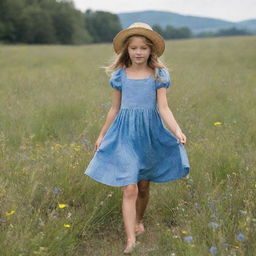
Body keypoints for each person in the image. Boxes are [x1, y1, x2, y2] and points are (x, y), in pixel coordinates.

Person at [84, 22, 190, 254]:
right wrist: (102, 135)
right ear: (126, 51)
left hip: (149, 133)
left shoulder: (158, 75)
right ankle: (131, 239)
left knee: (143, 186)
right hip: (123, 134)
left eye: (143, 47)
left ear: (151, 50)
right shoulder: (120, 76)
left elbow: (164, 108)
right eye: (134, 48)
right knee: (129, 188)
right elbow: (114, 108)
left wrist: (177, 130)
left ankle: (139, 220)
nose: (139, 52)